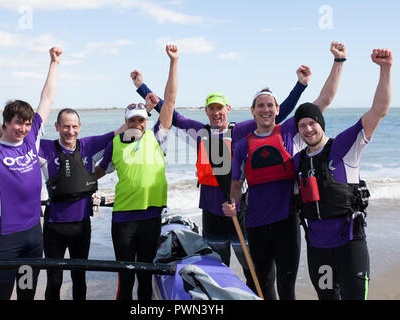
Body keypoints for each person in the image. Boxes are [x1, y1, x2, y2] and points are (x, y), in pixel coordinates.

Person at [131, 64, 310, 289]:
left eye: (220, 108)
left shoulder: (242, 131)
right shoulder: (200, 133)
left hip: (239, 212)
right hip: (211, 213)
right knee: (217, 272)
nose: (216, 113)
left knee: (254, 272)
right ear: (206, 111)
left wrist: (300, 86)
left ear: (228, 109)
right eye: (211, 109)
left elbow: (277, 113)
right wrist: (141, 87)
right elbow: (172, 115)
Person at [222, 42, 346, 300]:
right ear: (253, 110)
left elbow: (324, 100)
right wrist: (232, 203)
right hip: (255, 222)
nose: (266, 109)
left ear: (278, 110)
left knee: (286, 286)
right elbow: (236, 183)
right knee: (264, 284)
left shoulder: (289, 131)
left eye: (270, 105)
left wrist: (338, 62)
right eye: (261, 105)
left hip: (286, 221)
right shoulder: (242, 145)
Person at [0, 47, 63, 300]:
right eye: (18, 122)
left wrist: (54, 63)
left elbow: (47, 98)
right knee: (2, 296)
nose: (23, 128)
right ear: (6, 122)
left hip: (32, 237)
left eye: (27, 123)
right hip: (5, 240)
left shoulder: (31, 140)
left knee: (27, 293)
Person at [292, 48, 392, 300]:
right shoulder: (298, 160)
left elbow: (378, 110)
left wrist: (385, 68)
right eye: (302, 125)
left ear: (320, 123)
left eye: (311, 122)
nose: (307, 128)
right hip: (318, 250)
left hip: (349, 246)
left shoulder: (344, 147)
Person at [94, 44, 179, 300]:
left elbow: (171, 101)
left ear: (146, 121)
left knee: (145, 276)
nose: (137, 124)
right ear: (126, 122)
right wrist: (76, 185)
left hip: (151, 217)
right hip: (122, 220)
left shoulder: (157, 137)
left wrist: (173, 62)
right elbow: (97, 172)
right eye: (132, 120)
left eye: (141, 119)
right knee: (125, 277)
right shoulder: (115, 145)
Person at [38, 109, 126, 300]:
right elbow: (18, 139)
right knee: (54, 279)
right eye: (66, 126)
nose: (70, 131)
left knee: (79, 277)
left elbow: (120, 131)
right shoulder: (45, 148)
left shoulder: (88, 145)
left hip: (81, 226)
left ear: (80, 127)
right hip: (54, 227)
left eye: (74, 126)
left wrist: (147, 108)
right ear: (57, 127)